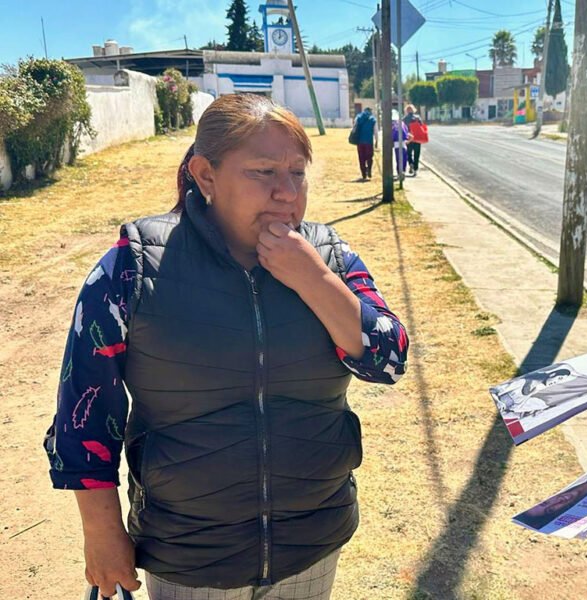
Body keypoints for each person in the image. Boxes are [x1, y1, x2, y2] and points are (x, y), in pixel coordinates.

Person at [43, 94, 409, 599]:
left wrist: (315, 280)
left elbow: (388, 360)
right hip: (188, 553)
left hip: (312, 541)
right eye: (263, 172)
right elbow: (83, 411)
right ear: (205, 175)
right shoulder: (133, 267)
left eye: (298, 174)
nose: (286, 193)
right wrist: (102, 534)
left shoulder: (331, 257)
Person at [402, 105, 428, 177]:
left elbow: (403, 129)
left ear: (406, 111)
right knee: (417, 154)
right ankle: (415, 169)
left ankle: (411, 163)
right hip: (417, 139)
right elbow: (422, 127)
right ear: (413, 110)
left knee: (408, 153)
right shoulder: (418, 118)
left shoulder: (404, 119)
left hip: (409, 139)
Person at [353, 106, 377, 180]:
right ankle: (369, 169)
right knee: (369, 157)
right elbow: (375, 131)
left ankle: (363, 174)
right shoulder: (373, 119)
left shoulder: (358, 117)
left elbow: (354, 128)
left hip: (360, 142)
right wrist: (376, 141)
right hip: (369, 141)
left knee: (361, 158)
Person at [391, 109, 410, 179]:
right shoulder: (402, 123)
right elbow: (407, 132)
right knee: (404, 158)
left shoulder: (393, 124)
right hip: (404, 143)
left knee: (398, 159)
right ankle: (403, 171)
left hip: (396, 143)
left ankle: (400, 173)